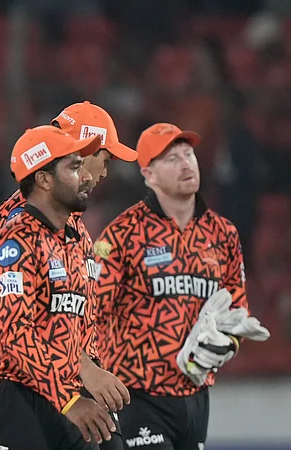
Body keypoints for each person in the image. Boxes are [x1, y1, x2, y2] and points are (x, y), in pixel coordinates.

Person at [93, 123, 269, 450]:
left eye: (189, 154)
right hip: (138, 395)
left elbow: (236, 308)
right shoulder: (122, 234)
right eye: (172, 159)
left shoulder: (224, 234)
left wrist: (226, 343)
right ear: (148, 174)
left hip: (196, 396)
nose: (186, 163)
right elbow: (92, 313)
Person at [0, 102, 135, 448]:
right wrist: (83, 371)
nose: (103, 173)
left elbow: (72, 312)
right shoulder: (22, 215)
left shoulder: (73, 223)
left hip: (65, 385)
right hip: (31, 391)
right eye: (106, 158)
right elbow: (22, 322)